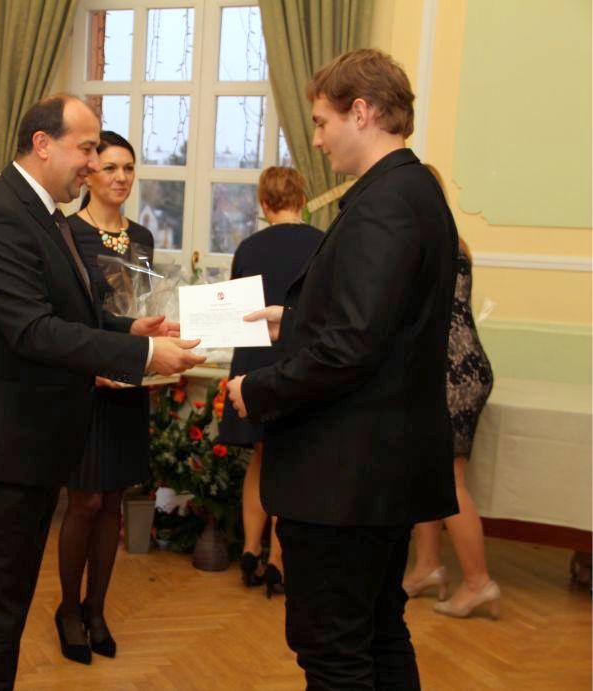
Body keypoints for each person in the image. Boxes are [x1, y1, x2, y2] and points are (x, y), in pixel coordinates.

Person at [0, 94, 205, 690]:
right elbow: (32, 330)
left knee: (4, 615)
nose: (91, 162)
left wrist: (128, 330)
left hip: (26, 449)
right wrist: (142, 357)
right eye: (85, 148)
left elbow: (65, 311)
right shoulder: (2, 216)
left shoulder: (42, 212)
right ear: (42, 144)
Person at [227, 49, 459, 690]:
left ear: (362, 112)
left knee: (333, 653)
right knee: (379, 635)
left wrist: (257, 387)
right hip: (380, 471)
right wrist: (296, 319)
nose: (318, 139)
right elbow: (382, 325)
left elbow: (352, 348)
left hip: (347, 477)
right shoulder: (412, 191)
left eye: (322, 122)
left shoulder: (385, 203)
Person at [54, 131, 154, 664]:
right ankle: (68, 610)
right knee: (85, 501)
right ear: (89, 173)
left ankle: (97, 610)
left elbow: (143, 308)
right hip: (85, 384)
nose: (120, 177)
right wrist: (91, 366)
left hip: (129, 382)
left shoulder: (142, 236)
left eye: (128, 168)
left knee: (113, 503)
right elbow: (64, 318)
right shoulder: (67, 233)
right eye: (110, 167)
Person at [217, 167, 323, 598]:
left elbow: (234, 309)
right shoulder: (322, 244)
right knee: (290, 466)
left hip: (253, 364)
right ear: (303, 198)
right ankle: (278, 560)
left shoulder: (249, 247)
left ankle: (248, 549)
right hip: (296, 363)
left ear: (264, 203)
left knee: (260, 460)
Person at [402, 165, 498, 618]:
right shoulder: (455, 241)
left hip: (449, 371)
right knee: (425, 471)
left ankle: (478, 583)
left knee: (448, 478)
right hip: (464, 364)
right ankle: (426, 567)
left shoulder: (422, 241)